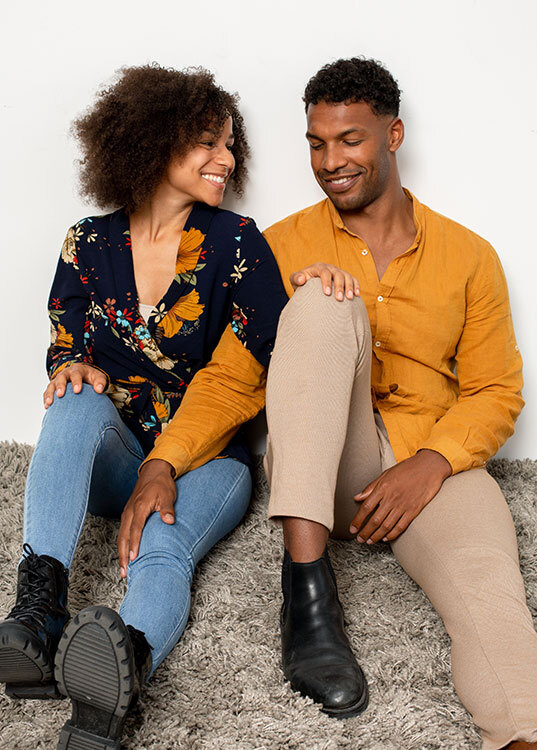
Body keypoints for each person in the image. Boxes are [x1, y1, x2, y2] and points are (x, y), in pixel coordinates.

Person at [0, 64, 288, 750]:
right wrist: (70, 366)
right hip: (118, 457)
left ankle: (117, 679)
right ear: (154, 143)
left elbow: (268, 358)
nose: (226, 159)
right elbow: (65, 341)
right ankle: (38, 610)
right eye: (207, 143)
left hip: (207, 461)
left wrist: (312, 283)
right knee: (75, 398)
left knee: (163, 545)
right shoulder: (86, 242)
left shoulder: (238, 243)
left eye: (230, 145)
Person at [264, 58, 535, 748]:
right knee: (323, 301)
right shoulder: (280, 245)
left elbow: (494, 390)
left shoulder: (470, 256)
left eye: (349, 139)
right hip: (328, 472)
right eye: (317, 144)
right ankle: (306, 595)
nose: (330, 161)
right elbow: (232, 378)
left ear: (393, 135)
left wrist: (433, 462)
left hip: (428, 462)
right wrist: (165, 461)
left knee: (490, 592)